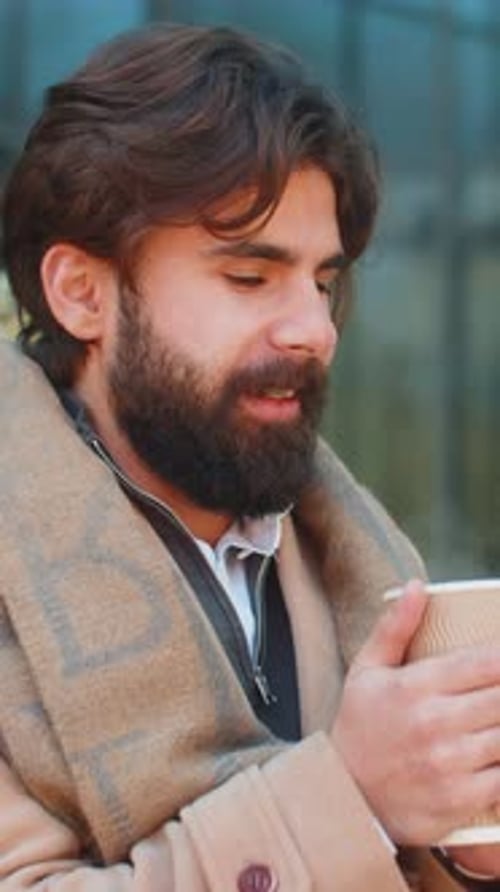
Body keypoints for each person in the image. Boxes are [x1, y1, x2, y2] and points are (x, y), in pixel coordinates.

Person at [0, 22, 499, 892]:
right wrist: (352, 801)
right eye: (249, 277)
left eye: (323, 281)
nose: (314, 329)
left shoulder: (349, 556)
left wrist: (470, 849)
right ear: (82, 294)